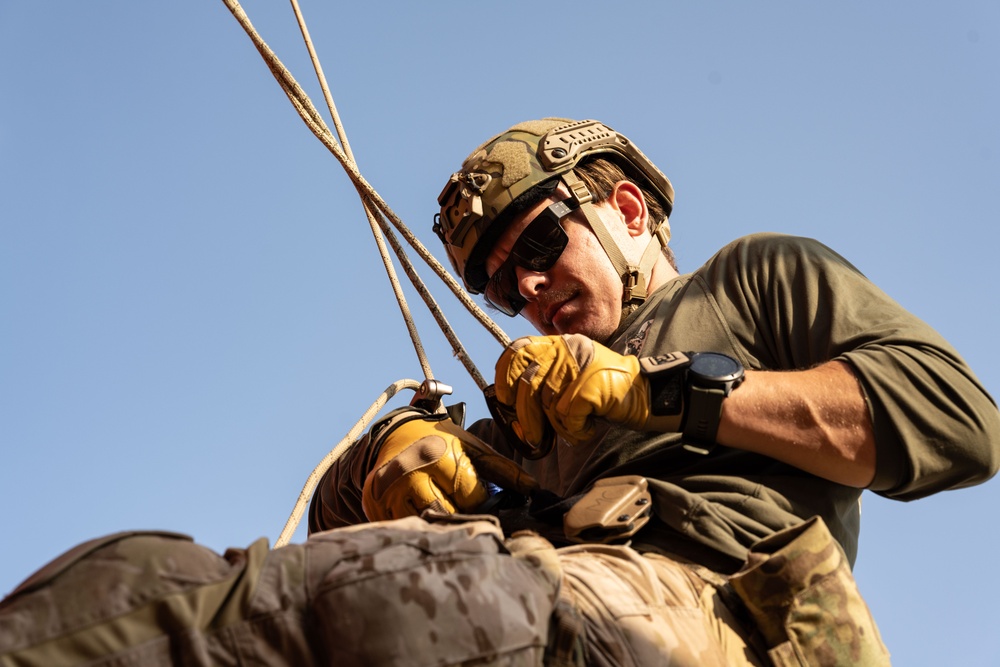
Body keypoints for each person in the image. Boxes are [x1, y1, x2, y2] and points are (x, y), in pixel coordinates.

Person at [1, 118, 997, 666]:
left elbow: (960, 422)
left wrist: (656, 395)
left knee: (435, 597)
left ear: (623, 209)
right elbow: (327, 548)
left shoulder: (753, 280)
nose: (521, 288)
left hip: (708, 612)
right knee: (159, 591)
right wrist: (383, 464)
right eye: (496, 279)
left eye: (537, 244)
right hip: (545, 586)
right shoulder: (534, 407)